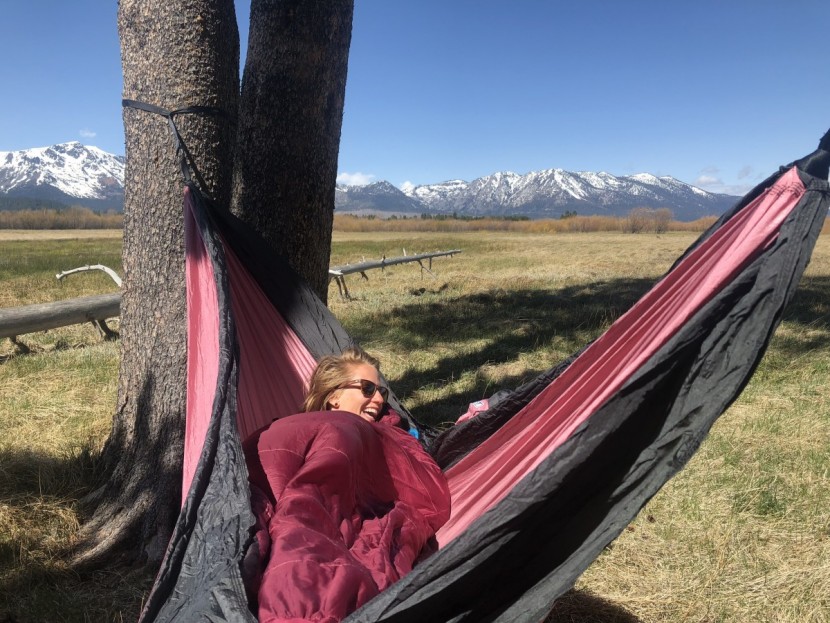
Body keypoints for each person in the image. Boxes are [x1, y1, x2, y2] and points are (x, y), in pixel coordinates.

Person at [247, 347, 451, 623]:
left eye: (383, 392)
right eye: (367, 388)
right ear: (333, 397)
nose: (378, 398)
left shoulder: (384, 434)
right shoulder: (321, 425)